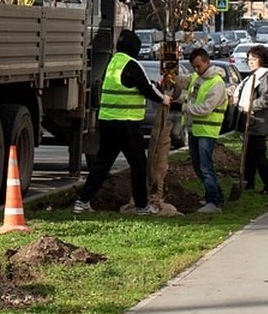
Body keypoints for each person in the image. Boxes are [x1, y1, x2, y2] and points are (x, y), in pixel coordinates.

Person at [73, 29, 171, 215]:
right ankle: (142, 206)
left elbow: (132, 82)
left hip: (108, 121)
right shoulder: (132, 63)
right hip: (127, 123)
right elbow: (145, 87)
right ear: (134, 47)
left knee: (102, 164)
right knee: (138, 165)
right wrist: (163, 98)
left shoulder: (113, 62)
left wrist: (154, 85)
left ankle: (82, 201)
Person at [177, 48, 229, 213]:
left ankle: (213, 202)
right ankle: (214, 196)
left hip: (207, 130)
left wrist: (184, 107)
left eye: (199, 66)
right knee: (198, 166)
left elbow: (205, 108)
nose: (196, 70)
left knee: (205, 167)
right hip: (194, 129)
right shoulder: (197, 78)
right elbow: (184, 81)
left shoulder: (216, 83)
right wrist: (170, 76)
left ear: (207, 62)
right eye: (194, 67)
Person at [235, 44, 268, 194]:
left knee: (258, 154)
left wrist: (249, 105)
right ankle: (248, 181)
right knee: (249, 154)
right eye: (249, 59)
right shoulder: (252, 76)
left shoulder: (264, 76)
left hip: (259, 122)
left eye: (254, 58)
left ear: (263, 59)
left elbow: (266, 99)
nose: (250, 61)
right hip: (250, 121)